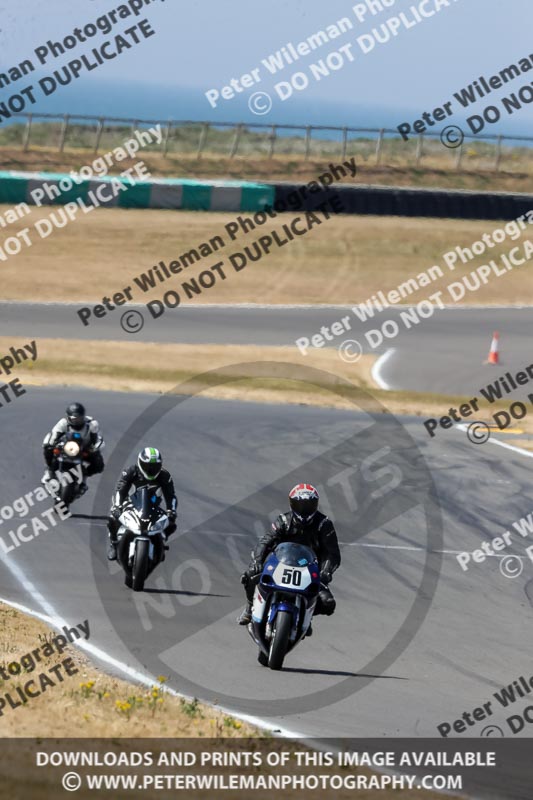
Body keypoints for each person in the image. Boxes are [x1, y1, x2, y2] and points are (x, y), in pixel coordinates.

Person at [238, 483, 340, 627]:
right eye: (300, 505)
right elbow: (266, 542)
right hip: (280, 564)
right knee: (249, 575)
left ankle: (305, 616)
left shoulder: (324, 524)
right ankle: (250, 608)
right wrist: (257, 562)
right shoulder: (284, 521)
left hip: (309, 570)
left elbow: (332, 553)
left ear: (316, 505)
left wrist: (325, 572)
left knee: (327, 603)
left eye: (308, 505)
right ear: (292, 504)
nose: (304, 510)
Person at [107, 447, 177, 561]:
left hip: (152, 507)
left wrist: (171, 511)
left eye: (155, 467)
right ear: (140, 463)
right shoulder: (131, 472)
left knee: (171, 524)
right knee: (112, 519)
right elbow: (120, 490)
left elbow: (171, 496)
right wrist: (117, 506)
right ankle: (114, 544)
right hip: (129, 503)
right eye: (147, 466)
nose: (151, 470)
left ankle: (161, 544)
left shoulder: (165, 476)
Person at [42, 402, 104, 492]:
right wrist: (51, 444)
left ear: (83, 416)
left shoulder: (92, 424)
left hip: (85, 449)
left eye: (80, 418)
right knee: (48, 449)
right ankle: (49, 472)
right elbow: (54, 434)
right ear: (68, 417)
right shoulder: (63, 423)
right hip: (66, 447)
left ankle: (84, 478)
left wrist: (95, 448)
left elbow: (98, 439)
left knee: (99, 465)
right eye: (74, 419)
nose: (77, 421)